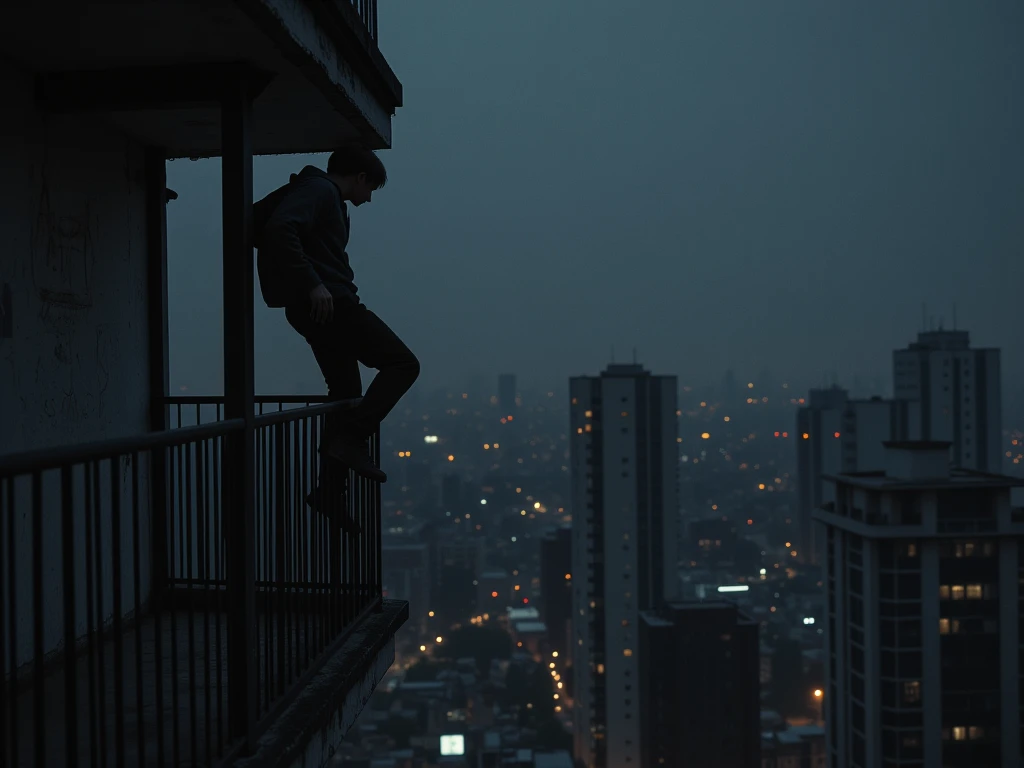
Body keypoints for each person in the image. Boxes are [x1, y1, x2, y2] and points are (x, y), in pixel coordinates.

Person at [258, 145, 419, 516]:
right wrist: (314, 283)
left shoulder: (320, 195)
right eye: (371, 190)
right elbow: (282, 229)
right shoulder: (321, 191)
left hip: (316, 307)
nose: (369, 199)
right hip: (331, 305)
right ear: (360, 178)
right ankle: (351, 439)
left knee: (345, 390)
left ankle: (330, 489)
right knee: (403, 364)